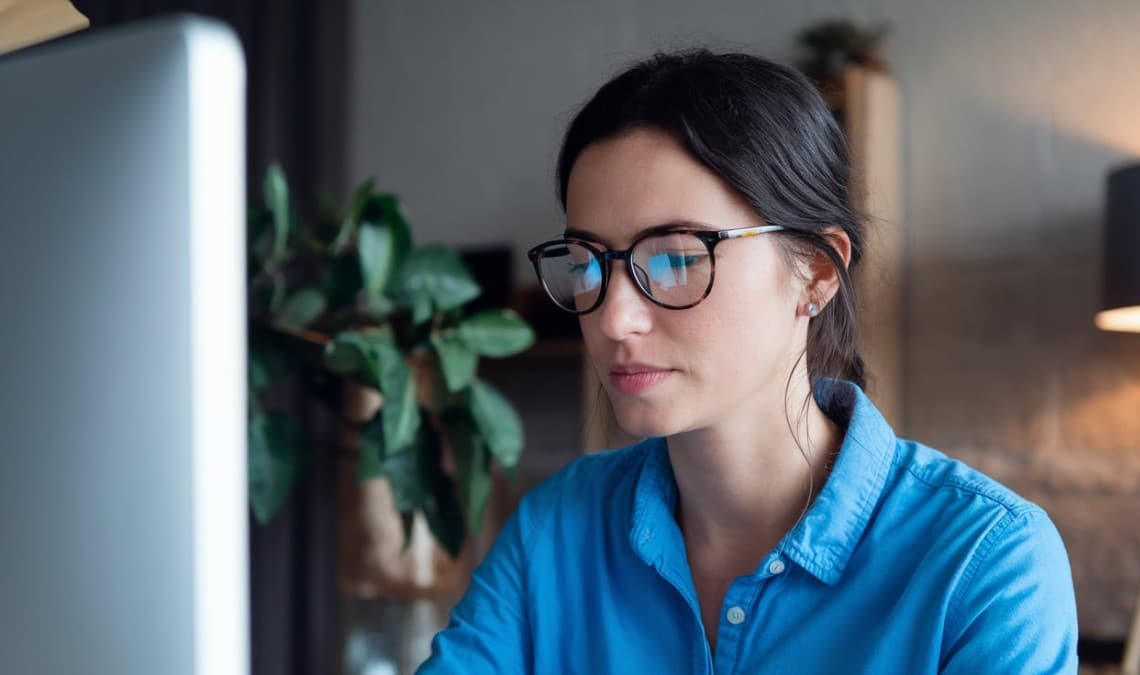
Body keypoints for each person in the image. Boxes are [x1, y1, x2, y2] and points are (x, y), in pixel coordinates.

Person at [417, 49, 1078, 674]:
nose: (613, 318)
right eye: (590, 263)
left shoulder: (984, 561)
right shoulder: (557, 531)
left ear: (816, 272)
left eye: (676, 257)